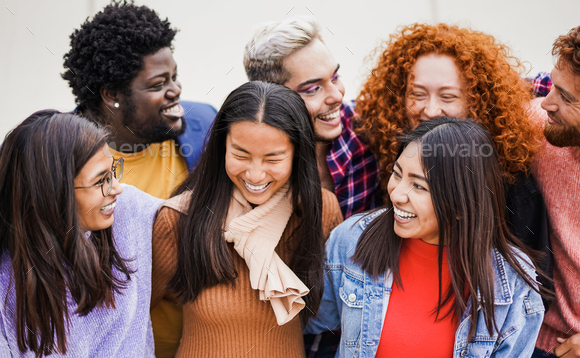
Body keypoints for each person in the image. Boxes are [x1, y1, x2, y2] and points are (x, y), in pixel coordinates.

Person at [305, 117, 545, 358]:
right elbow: (304, 321)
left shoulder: (513, 285)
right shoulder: (353, 238)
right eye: (397, 174)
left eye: (418, 186)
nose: (397, 194)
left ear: (462, 205)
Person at [61, 3, 217, 355]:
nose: (175, 90)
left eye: (174, 76)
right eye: (159, 84)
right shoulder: (58, 157)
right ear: (112, 94)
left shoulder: (205, 125)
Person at [355, 23, 552, 294]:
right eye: (417, 94)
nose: (431, 110)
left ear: (478, 101)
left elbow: (533, 286)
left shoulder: (511, 185)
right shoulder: (389, 155)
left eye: (448, 97)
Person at [151, 81, 343, 357]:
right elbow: (130, 316)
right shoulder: (179, 219)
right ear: (222, 148)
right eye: (241, 154)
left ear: (298, 153)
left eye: (273, 159)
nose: (255, 175)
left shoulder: (320, 211)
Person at [0, 110, 163, 357]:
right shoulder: (7, 283)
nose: (116, 188)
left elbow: (189, 212)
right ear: (51, 193)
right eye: (101, 181)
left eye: (113, 171)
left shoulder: (126, 208)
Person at [244, 16, 381, 219]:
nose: (336, 96)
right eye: (313, 89)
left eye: (335, 77)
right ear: (273, 99)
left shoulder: (369, 124)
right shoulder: (246, 161)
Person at [529, 21, 580, 358]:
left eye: (565, 97)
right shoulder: (537, 132)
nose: (545, 104)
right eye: (552, 86)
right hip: (536, 341)